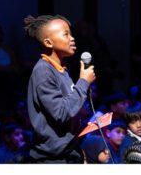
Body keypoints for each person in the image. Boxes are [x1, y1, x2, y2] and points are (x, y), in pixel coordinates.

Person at [24, 15, 95, 163]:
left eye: (71, 33)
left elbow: (67, 108)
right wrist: (83, 81)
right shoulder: (43, 71)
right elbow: (61, 113)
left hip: (69, 151)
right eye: (66, 34)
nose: (72, 38)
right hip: (53, 159)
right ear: (48, 42)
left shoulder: (61, 69)